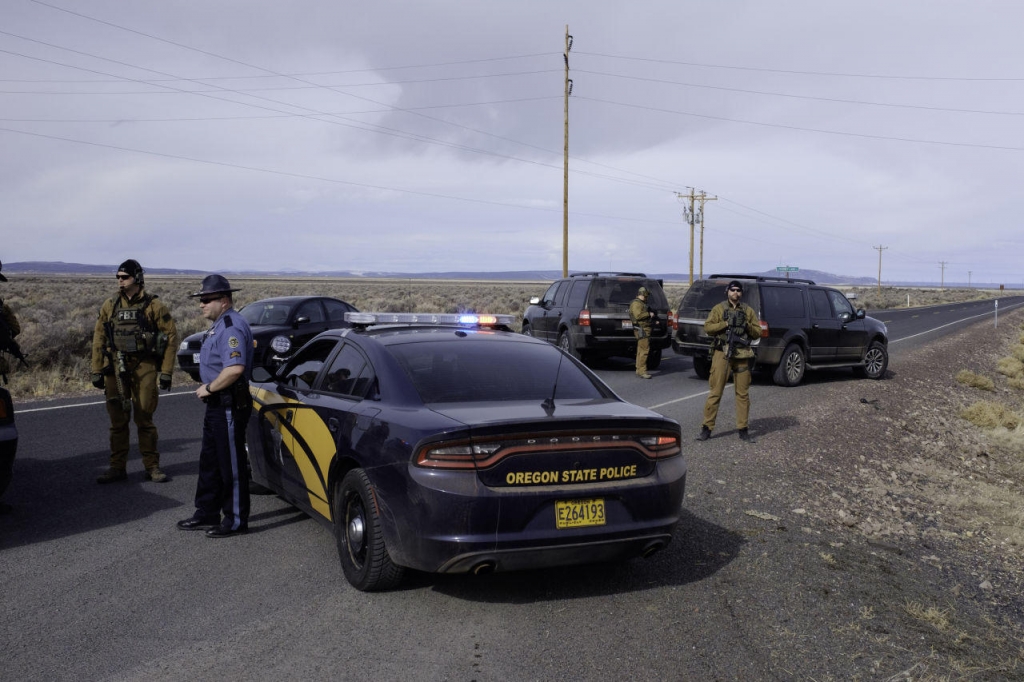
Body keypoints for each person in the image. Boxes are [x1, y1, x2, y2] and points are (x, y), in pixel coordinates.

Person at [177, 274, 254, 538]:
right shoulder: (218, 325)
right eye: (201, 299)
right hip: (217, 405)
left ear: (223, 301)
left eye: (207, 299)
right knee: (210, 461)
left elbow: (234, 369)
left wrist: (209, 387)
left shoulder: (230, 326)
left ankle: (234, 520)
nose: (201, 304)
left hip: (229, 403)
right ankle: (207, 511)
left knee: (231, 464)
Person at [90, 259, 178, 483]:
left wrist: (166, 371)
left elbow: (170, 338)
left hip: (144, 366)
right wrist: (96, 369)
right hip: (115, 368)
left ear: (137, 278)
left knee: (144, 418)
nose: (120, 281)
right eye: (118, 277)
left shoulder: (154, 306)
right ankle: (117, 467)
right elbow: (99, 338)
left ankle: (152, 466)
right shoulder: (110, 305)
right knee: (118, 421)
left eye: (124, 277)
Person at [698, 280, 762, 443]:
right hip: (722, 353)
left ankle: (743, 429)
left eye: (738, 290)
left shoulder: (748, 311)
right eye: (732, 290)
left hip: (742, 354)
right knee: (715, 392)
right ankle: (706, 428)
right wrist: (726, 323)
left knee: (742, 394)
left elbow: (757, 332)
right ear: (727, 292)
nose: (735, 293)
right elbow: (708, 327)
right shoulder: (719, 309)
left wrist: (746, 326)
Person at [629, 286, 655, 379]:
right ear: (643, 295)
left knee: (640, 350)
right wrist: (649, 314)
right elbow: (638, 316)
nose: (646, 298)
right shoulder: (637, 304)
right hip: (642, 329)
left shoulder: (640, 303)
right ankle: (642, 371)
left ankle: (639, 369)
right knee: (644, 350)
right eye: (646, 296)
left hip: (642, 329)